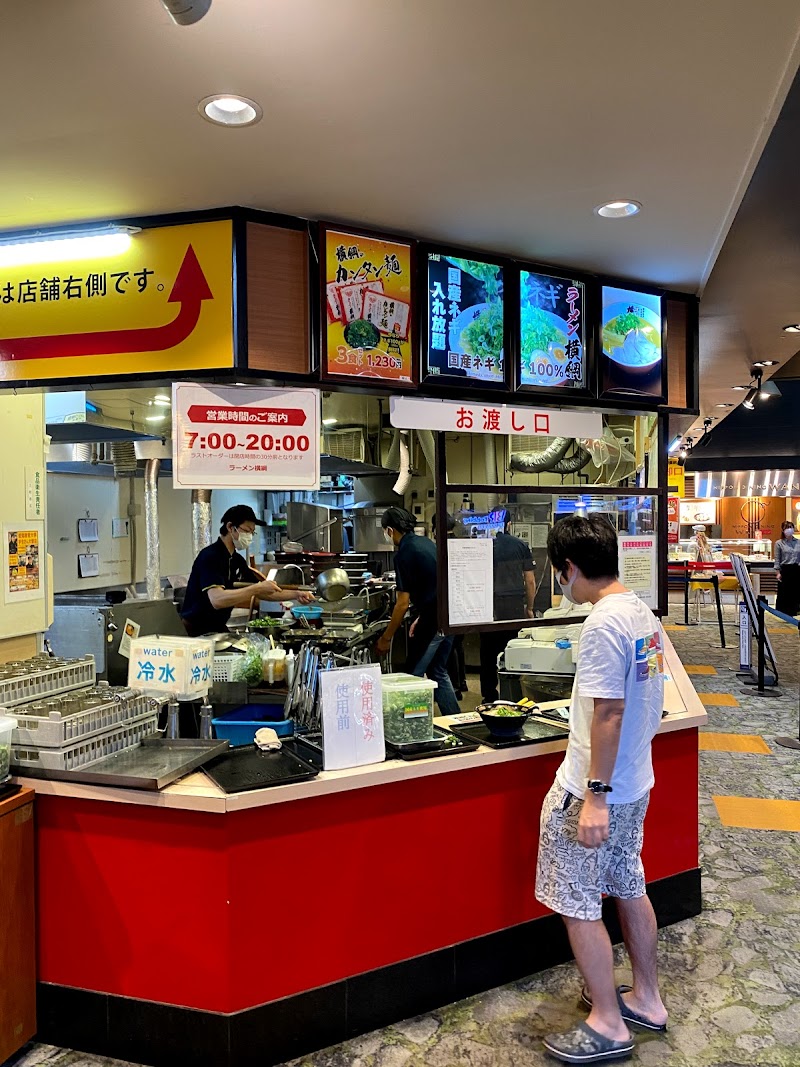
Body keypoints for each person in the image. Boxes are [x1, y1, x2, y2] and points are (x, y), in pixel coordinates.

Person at [535, 515, 667, 1065]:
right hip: (636, 783)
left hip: (594, 792)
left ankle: (608, 1023)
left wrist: (593, 796)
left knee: (577, 901)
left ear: (568, 568)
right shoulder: (642, 614)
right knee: (628, 881)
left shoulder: (601, 626)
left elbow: (608, 713)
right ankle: (647, 1000)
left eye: (557, 573)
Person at [375, 506, 460, 716]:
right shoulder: (426, 543)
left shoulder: (404, 553)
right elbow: (434, 584)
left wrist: (386, 637)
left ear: (389, 530)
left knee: (411, 677)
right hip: (449, 616)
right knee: (438, 672)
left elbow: (402, 603)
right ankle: (457, 721)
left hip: (433, 620)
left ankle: (411, 729)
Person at [180, 504, 313, 637]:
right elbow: (217, 600)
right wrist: (257, 589)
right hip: (194, 631)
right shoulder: (210, 556)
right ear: (230, 527)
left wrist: (296, 594)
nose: (249, 536)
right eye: (247, 530)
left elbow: (265, 592)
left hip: (217, 627)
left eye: (252, 532)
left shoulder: (236, 560)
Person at [479, 518, 536, 702]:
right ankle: (511, 694)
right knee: (510, 649)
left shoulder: (484, 545)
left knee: (487, 652)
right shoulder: (520, 545)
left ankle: (488, 695)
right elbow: (530, 580)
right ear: (509, 524)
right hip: (513, 604)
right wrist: (530, 607)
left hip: (488, 604)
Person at [432, 512, 467, 700]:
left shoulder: (440, 546)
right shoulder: (460, 543)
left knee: (449, 648)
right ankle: (461, 682)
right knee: (456, 645)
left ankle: (454, 687)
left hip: (447, 605)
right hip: (463, 603)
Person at [688, 525, 716, 624]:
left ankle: (697, 596)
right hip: (701, 566)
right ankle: (701, 594)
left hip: (699, 566)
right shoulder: (695, 541)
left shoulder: (696, 542)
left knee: (696, 580)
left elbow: (689, 551)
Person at [774, 519, 800, 617]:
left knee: (796, 592)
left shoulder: (798, 542)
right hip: (785, 570)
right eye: (786, 528)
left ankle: (795, 611)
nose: (789, 530)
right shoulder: (779, 543)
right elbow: (777, 559)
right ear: (783, 530)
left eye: (790, 528)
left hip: (796, 569)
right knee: (784, 592)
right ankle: (783, 613)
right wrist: (778, 573)